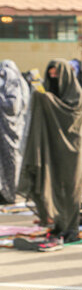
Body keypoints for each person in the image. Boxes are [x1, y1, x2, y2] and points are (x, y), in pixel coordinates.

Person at [18, 59, 82, 242]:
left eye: (57, 74)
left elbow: (71, 116)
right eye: (51, 75)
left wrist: (48, 101)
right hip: (51, 149)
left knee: (70, 190)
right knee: (52, 186)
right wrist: (44, 98)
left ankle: (71, 228)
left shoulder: (77, 96)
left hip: (72, 152)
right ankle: (58, 224)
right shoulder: (48, 94)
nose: (54, 77)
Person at [0, 60, 30, 204]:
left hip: (13, 131)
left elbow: (12, 107)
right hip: (5, 131)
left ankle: (10, 194)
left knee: (12, 163)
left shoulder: (16, 85)